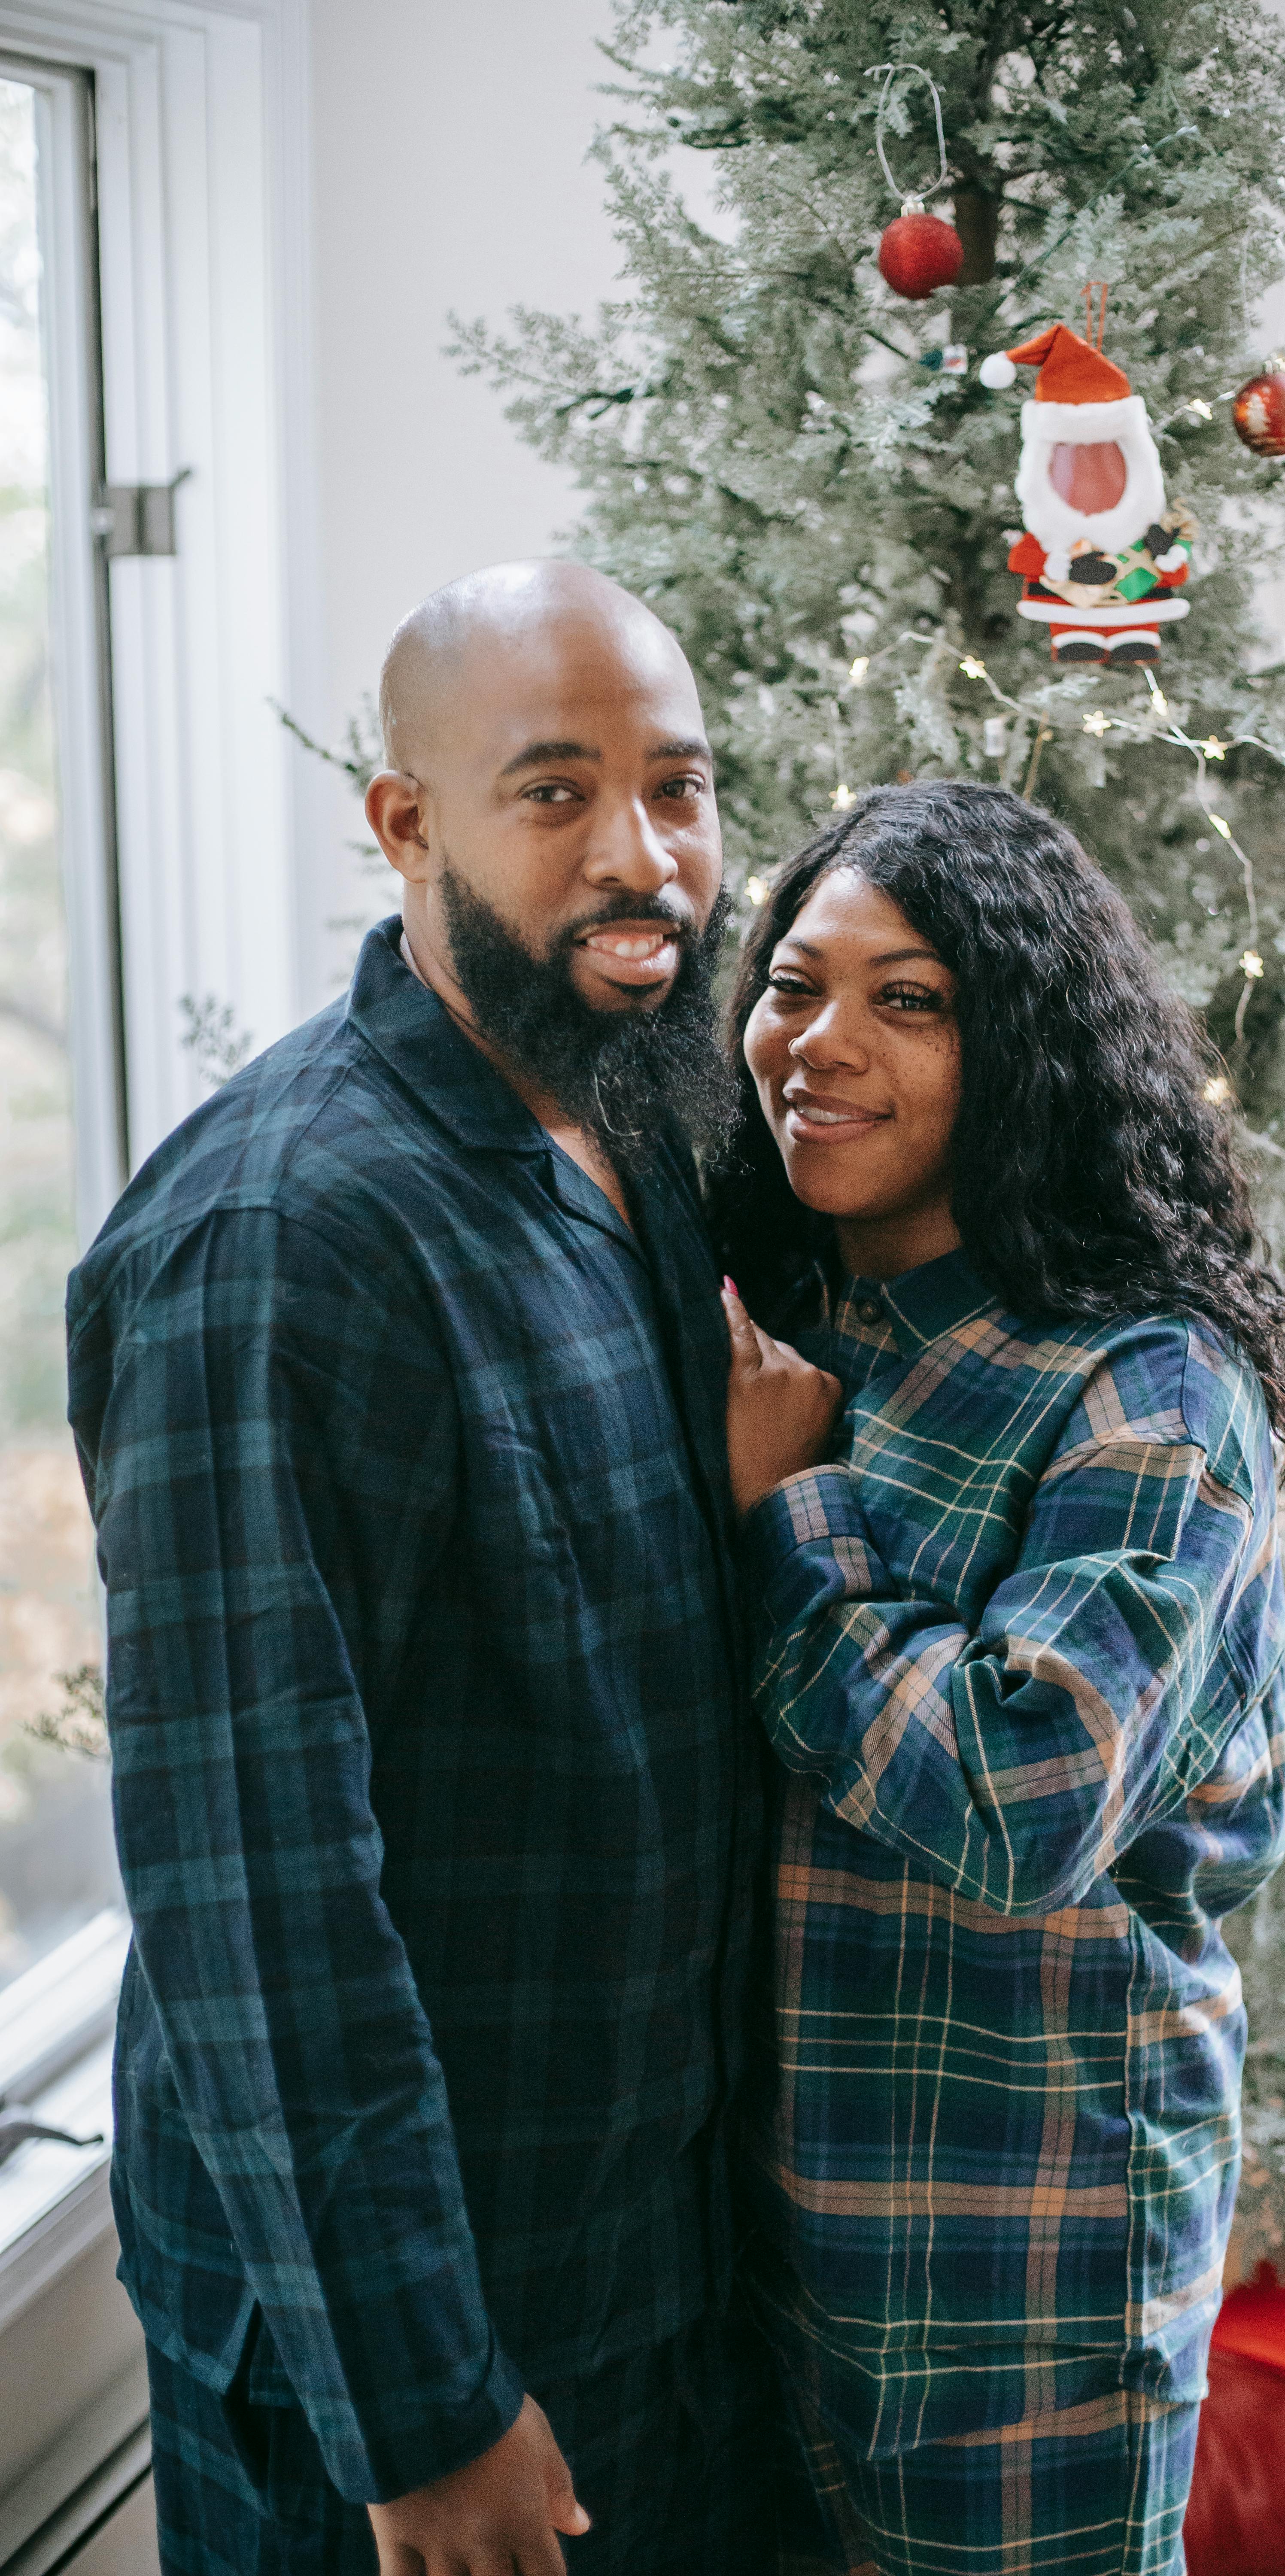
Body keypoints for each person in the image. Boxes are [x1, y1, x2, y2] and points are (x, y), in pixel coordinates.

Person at [67, 561, 837, 2576]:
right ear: (405, 823)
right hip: (415, 2368)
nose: (642, 858)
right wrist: (422, 2408)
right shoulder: (279, 1250)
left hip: (651, 2276)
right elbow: (256, 1894)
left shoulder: (641, 1126)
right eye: (556, 793)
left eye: (677, 789)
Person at [712, 780, 1285, 2576]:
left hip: (1021, 2281)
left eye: (908, 1001)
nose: (818, 1046)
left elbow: (1024, 1794)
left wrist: (793, 1517)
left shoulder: (1149, 1387)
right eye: (794, 986)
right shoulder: (790, 1323)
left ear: (1029, 1052)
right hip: (767, 2250)